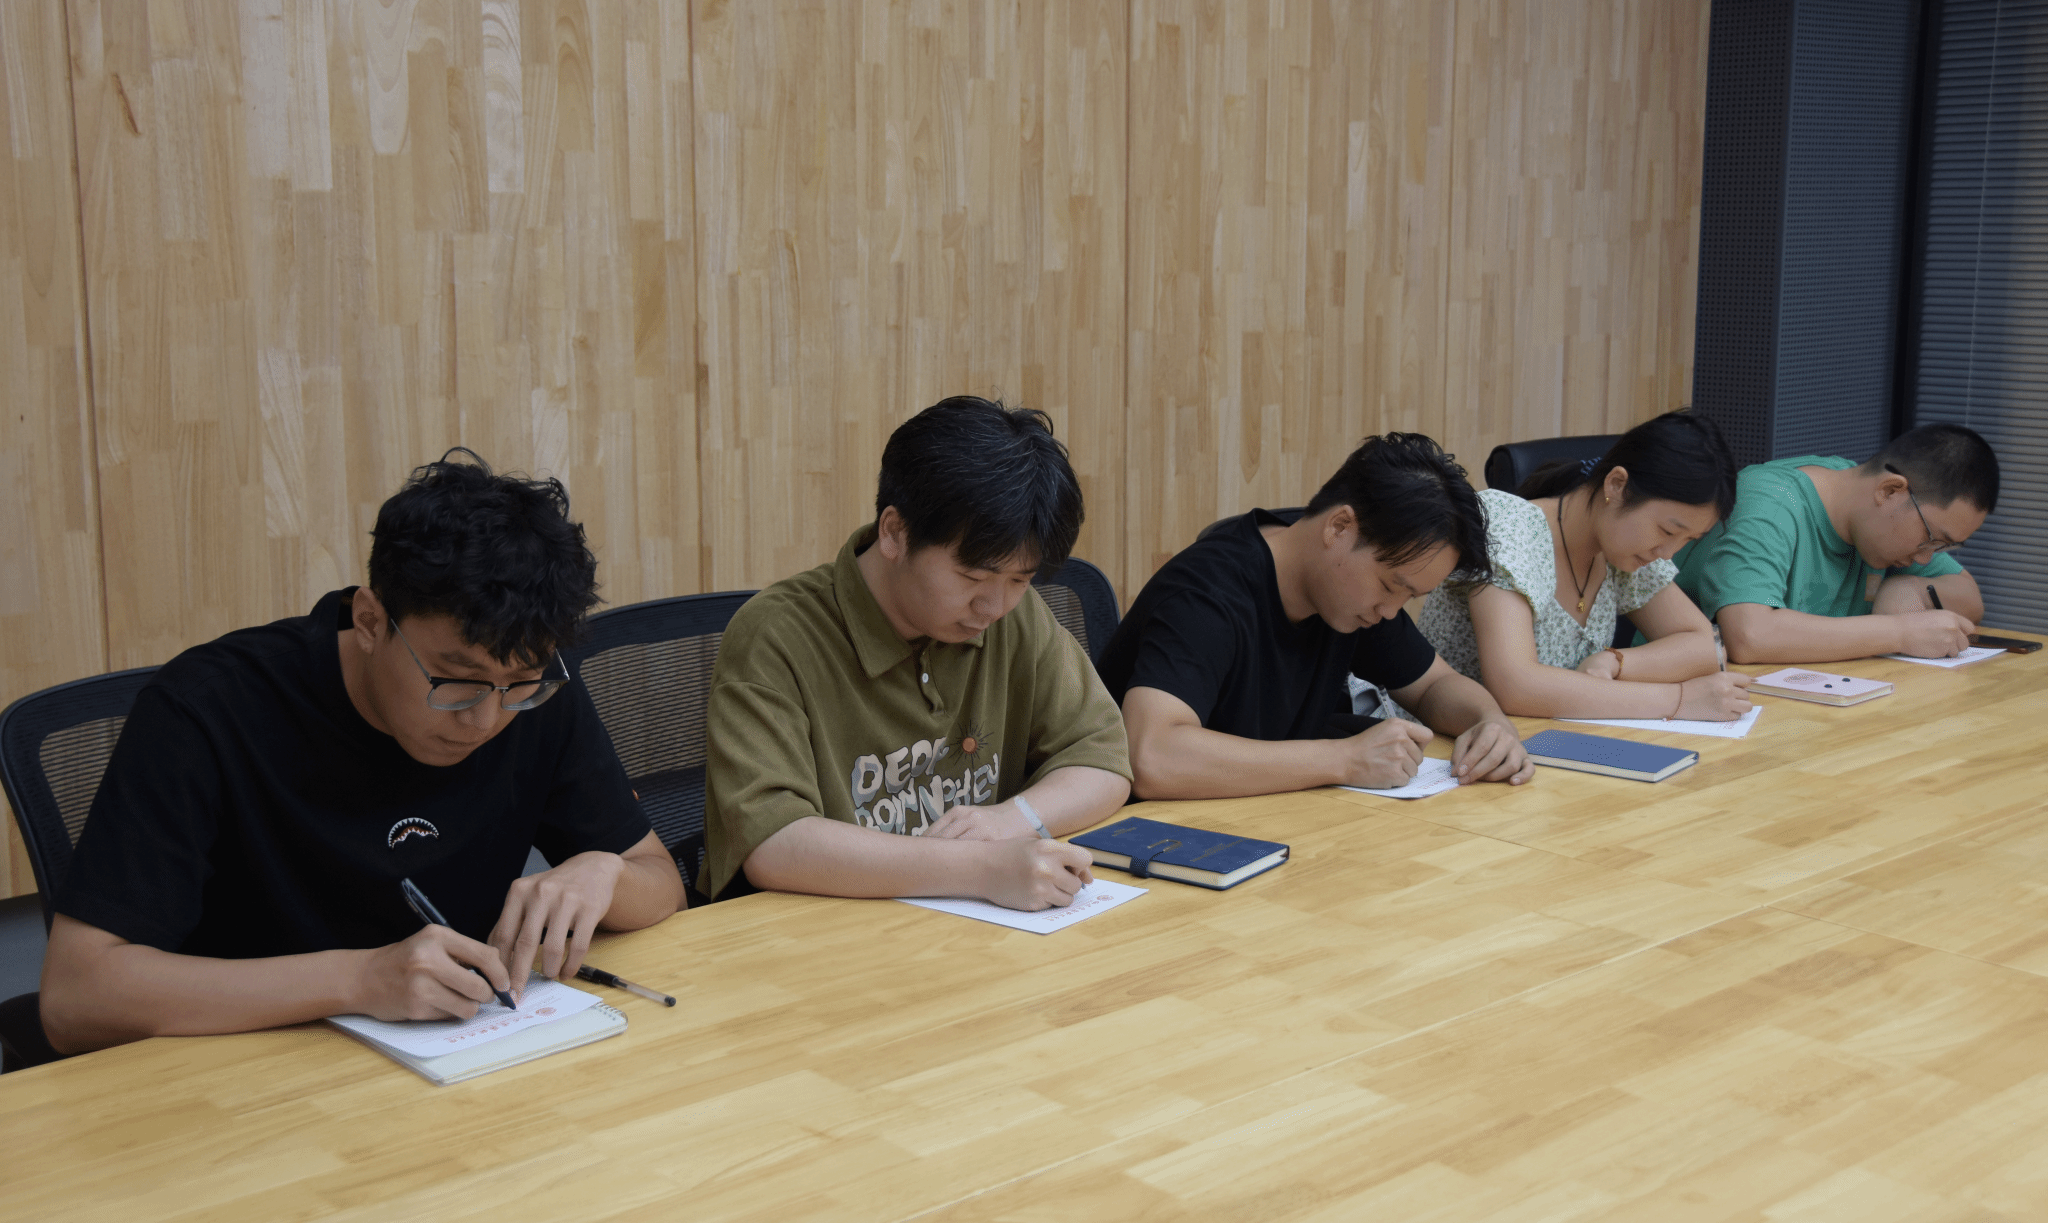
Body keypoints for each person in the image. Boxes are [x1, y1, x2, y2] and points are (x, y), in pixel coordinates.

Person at [37, 454, 685, 1057]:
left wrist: (606, 873)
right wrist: (360, 978)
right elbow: (75, 996)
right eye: (454, 679)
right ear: (371, 621)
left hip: (459, 1057)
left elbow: (662, 884)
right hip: (246, 1070)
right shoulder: (207, 709)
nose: (483, 719)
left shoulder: (530, 691)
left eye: (518, 684)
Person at [703, 397, 1130, 911]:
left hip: (973, 930)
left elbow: (1104, 760)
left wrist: (1011, 820)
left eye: (1020, 579)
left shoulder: (1014, 619)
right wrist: (983, 869)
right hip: (819, 932)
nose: (994, 606)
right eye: (971, 576)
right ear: (894, 533)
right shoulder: (776, 637)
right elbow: (774, 844)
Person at [1098, 432, 1533, 799]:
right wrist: (1344, 759)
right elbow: (1152, 756)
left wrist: (1489, 722)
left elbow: (1435, 685)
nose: (1390, 612)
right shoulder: (1207, 594)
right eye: (1390, 587)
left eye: (1409, 597)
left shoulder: (1349, 590)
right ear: (1339, 528)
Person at [1416, 410, 1754, 721]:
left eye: (1687, 540)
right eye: (1667, 531)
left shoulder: (1626, 553)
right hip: (1436, 748)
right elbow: (1515, 685)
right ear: (1616, 485)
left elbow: (1705, 647)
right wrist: (1678, 700)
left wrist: (1615, 662)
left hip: (1542, 745)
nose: (1668, 553)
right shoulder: (1509, 526)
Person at [1674, 423, 1997, 664]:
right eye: (1930, 539)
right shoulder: (1771, 503)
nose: (1925, 559)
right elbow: (1749, 636)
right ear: (1889, 491)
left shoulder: (1871, 512)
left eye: (1941, 547)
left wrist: (1912, 589)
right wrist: (1899, 632)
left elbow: (1968, 595)